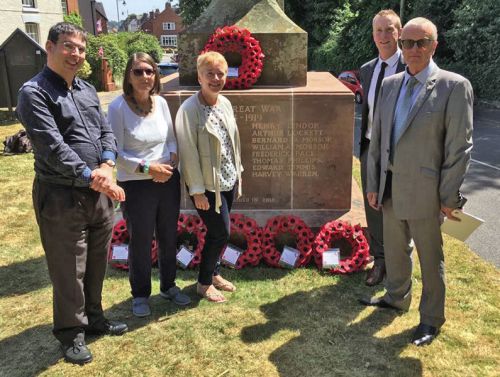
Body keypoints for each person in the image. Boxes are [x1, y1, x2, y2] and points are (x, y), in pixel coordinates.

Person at [16, 22, 128, 365]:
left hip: (99, 194)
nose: (75, 54)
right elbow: (52, 146)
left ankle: (94, 319)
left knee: (96, 263)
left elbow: (106, 132)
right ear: (49, 47)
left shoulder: (86, 90)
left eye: (80, 48)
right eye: (68, 46)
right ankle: (71, 333)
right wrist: (92, 175)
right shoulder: (33, 93)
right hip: (62, 197)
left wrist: (107, 164)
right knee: (68, 270)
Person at [363, 17, 473, 346]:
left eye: (420, 42)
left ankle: (430, 319)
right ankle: (397, 298)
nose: (412, 49)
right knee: (395, 251)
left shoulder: (454, 86)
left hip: (428, 193)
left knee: (430, 257)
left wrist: (448, 197)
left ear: (433, 45)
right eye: (407, 43)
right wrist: (372, 183)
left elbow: (460, 148)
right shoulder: (389, 84)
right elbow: (377, 139)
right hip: (390, 187)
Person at [108, 52, 191, 317]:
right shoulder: (117, 108)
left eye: (149, 71)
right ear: (128, 77)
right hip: (136, 185)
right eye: (138, 71)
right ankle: (141, 294)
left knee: (168, 236)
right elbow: (115, 153)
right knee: (141, 240)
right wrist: (148, 168)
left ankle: (168, 285)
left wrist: (172, 160)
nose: (145, 76)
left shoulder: (161, 103)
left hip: (167, 180)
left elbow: (170, 138)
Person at [175, 51, 243, 303]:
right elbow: (188, 152)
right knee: (220, 233)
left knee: (220, 232)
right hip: (205, 186)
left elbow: (231, 141)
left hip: (227, 179)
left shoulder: (224, 103)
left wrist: (238, 172)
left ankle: (214, 274)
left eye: (220, 73)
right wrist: (197, 190)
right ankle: (204, 283)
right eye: (209, 74)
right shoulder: (189, 110)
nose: (215, 78)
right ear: (199, 77)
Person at [359, 9, 406, 286]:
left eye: (390, 30)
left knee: (397, 209)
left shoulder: (410, 67)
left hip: (399, 154)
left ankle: (398, 262)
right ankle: (380, 261)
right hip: (369, 150)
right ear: (373, 35)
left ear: (399, 33)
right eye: (379, 30)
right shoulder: (367, 70)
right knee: (373, 207)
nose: (384, 36)